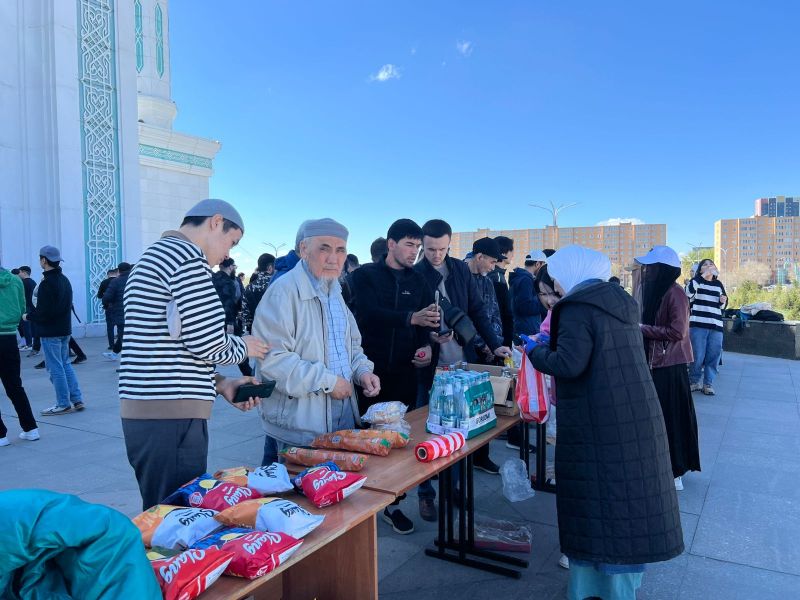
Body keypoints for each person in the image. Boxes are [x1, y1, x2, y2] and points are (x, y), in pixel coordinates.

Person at [526, 245, 683, 599]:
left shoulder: (577, 308)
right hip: (629, 414)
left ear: (571, 273)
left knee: (603, 507)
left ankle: (599, 590)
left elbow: (569, 363)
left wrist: (534, 350)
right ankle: (619, 586)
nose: (556, 286)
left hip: (599, 421)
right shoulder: (617, 301)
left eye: (557, 278)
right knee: (625, 506)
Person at [119, 198, 269, 510]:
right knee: (175, 519)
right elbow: (209, 343)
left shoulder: (155, 256)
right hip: (171, 417)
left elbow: (165, 347)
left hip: (152, 413)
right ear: (216, 222)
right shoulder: (187, 259)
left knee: (161, 512)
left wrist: (222, 384)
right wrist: (246, 345)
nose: (229, 253)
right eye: (232, 241)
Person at [253, 218, 380, 464]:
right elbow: (272, 361)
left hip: (342, 419)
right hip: (301, 428)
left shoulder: (335, 292)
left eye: (340, 250)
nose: (334, 258)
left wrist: (362, 372)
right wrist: (329, 382)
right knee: (297, 498)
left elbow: (351, 347)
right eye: (324, 248)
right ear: (303, 249)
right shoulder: (283, 292)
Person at [350, 219, 437, 532]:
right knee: (365, 439)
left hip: (405, 373)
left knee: (397, 442)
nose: (414, 252)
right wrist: (409, 318)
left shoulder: (422, 280)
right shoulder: (364, 276)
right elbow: (369, 314)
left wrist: (426, 346)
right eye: (409, 244)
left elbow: (427, 322)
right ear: (391, 244)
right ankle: (360, 501)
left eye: (417, 245)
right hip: (368, 372)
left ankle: (392, 502)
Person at [415, 220, 511, 478]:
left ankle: (456, 485)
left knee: (462, 429)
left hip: (462, 362)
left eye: (442, 249)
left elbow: (478, 311)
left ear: (449, 244)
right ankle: (425, 492)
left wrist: (495, 344)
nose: (436, 255)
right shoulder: (415, 274)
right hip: (431, 367)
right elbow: (410, 321)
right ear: (423, 245)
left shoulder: (459, 269)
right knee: (428, 429)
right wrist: (426, 338)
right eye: (430, 249)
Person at [637, 246, 701, 492]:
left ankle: (675, 470)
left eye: (651, 266)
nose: (647, 270)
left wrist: (641, 328)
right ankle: (662, 464)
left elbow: (678, 332)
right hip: (656, 362)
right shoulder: (654, 291)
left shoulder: (675, 293)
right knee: (659, 416)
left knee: (671, 417)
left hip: (669, 365)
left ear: (662, 269)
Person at [23, 246, 84, 416]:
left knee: (55, 367)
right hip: (64, 330)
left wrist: (28, 317)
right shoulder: (64, 279)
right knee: (65, 364)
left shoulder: (47, 283)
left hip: (51, 332)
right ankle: (77, 399)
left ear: (43, 260)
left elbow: (44, 312)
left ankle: (63, 403)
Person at [0, 264, 38, 446]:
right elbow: (22, 307)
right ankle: (31, 428)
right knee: (15, 385)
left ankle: (1, 435)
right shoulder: (16, 280)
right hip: (9, 338)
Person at [686, 259, 727, 395]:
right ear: (700, 269)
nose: (709, 266)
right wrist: (702, 277)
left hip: (716, 325)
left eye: (711, 264)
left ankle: (708, 384)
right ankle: (694, 381)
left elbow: (723, 305)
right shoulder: (696, 281)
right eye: (705, 265)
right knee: (697, 355)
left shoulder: (718, 284)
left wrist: (723, 301)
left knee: (713, 355)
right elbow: (688, 294)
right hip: (698, 324)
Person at [509, 250, 548, 337]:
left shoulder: (521, 278)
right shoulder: (525, 280)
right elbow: (524, 307)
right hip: (527, 330)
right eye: (544, 265)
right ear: (538, 264)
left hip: (523, 327)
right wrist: (545, 303)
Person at [487, 236, 515, 347]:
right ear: (504, 253)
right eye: (512, 251)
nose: (513, 255)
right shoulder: (497, 277)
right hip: (499, 338)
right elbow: (497, 312)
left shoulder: (498, 275)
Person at [101, 262, 132, 361]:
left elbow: (106, 298)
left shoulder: (115, 281)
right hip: (135, 314)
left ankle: (129, 361)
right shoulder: (135, 280)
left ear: (119, 271)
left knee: (124, 337)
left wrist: (108, 303)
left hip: (121, 314)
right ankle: (114, 353)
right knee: (125, 336)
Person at [243, 253, 275, 333]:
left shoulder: (249, 287)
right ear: (270, 268)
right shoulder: (277, 285)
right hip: (275, 333)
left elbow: (245, 314)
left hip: (255, 332)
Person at [97, 268, 118, 350]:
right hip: (119, 307)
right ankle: (121, 343)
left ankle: (112, 345)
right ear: (115, 273)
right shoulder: (118, 281)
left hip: (109, 307)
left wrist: (105, 295)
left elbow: (99, 296)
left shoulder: (104, 282)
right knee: (121, 326)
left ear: (108, 274)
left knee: (110, 327)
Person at [17, 266, 37, 350]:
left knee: (25, 325)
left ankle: (29, 344)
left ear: (24, 272)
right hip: (32, 306)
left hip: (25, 306)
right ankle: (28, 342)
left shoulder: (22, 283)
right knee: (28, 325)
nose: (18, 274)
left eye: (20, 272)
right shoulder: (33, 282)